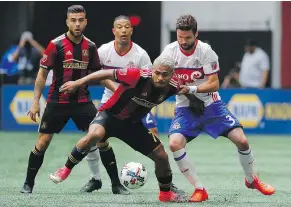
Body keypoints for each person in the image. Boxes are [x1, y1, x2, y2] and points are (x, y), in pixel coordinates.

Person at [161, 14, 275, 202]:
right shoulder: (169, 51)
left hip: (211, 105)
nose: (183, 41)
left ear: (196, 34)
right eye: (180, 37)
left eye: (188, 38)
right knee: (174, 144)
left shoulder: (206, 51)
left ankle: (251, 179)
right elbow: (161, 77)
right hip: (185, 108)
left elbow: (214, 83)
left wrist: (191, 88)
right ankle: (200, 189)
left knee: (242, 141)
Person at [49, 55, 188, 202]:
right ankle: (66, 169)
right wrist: (78, 83)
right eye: (157, 73)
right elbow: (105, 73)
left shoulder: (175, 85)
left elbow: (187, 91)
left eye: (165, 74)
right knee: (95, 134)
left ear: (173, 74)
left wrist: (196, 103)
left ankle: (165, 194)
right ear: (152, 70)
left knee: (162, 157)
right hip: (108, 117)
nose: (160, 78)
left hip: (132, 126)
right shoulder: (137, 75)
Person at [20, 5, 119, 194]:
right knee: (42, 143)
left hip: (82, 101)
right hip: (57, 101)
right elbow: (42, 75)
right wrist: (35, 102)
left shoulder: (90, 46)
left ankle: (116, 184)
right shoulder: (55, 45)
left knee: (101, 137)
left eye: (81, 20)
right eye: (73, 20)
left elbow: (99, 74)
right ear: (67, 22)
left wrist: (118, 90)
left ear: (86, 22)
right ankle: (28, 183)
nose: (77, 24)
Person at [79, 15, 158, 194]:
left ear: (131, 30)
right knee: (97, 137)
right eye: (120, 27)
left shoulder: (140, 55)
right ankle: (106, 181)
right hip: (110, 101)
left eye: (127, 27)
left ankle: (164, 178)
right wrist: (117, 91)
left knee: (153, 135)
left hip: (137, 102)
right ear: (114, 31)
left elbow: (149, 82)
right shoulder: (104, 51)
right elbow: (98, 75)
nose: (123, 30)